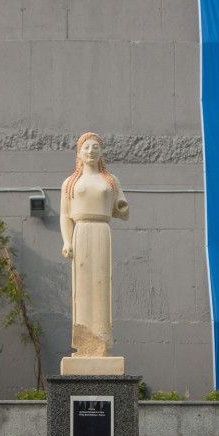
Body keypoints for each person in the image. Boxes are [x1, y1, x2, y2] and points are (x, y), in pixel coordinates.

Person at [60, 132, 129, 357]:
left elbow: (123, 210)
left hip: (101, 231)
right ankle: (84, 342)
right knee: (82, 287)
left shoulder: (110, 181)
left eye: (95, 147)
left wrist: (121, 206)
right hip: (80, 232)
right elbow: (65, 215)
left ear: (101, 152)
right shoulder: (70, 183)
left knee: (102, 284)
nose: (91, 151)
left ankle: (101, 341)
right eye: (86, 147)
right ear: (79, 153)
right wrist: (67, 241)